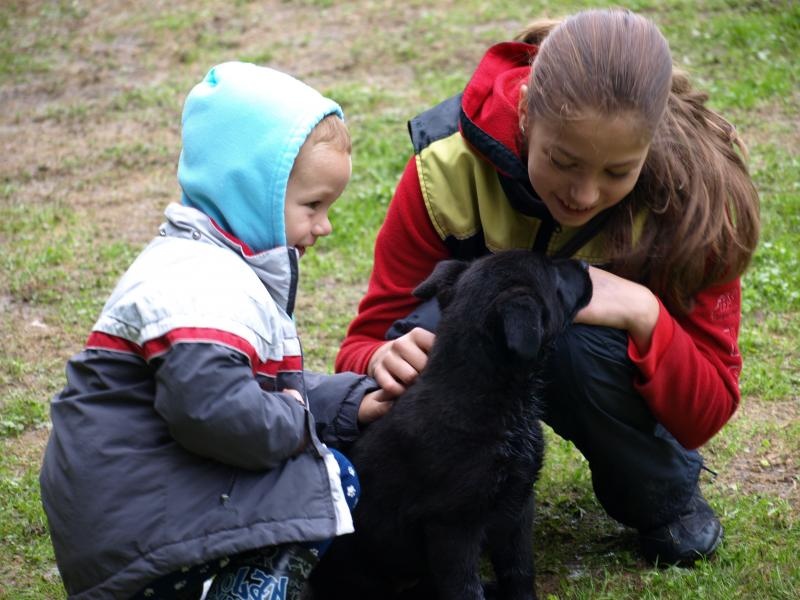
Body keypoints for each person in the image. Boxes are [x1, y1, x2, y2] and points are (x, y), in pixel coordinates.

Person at [336, 8, 760, 567]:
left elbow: (706, 412)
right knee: (447, 318)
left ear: (651, 143)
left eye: (617, 173)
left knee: (568, 340)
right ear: (529, 111)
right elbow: (360, 347)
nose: (584, 194)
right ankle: (447, 512)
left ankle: (662, 495)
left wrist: (643, 313)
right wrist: (382, 358)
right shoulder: (444, 173)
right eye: (563, 161)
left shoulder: (690, 204)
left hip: (596, 373)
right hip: (461, 430)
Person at [39, 61, 391, 600]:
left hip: (134, 520)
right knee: (330, 476)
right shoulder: (201, 282)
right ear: (253, 192)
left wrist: (349, 402)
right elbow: (217, 411)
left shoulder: (210, 269)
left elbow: (248, 392)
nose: (325, 226)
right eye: (313, 205)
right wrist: (299, 421)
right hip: (142, 536)